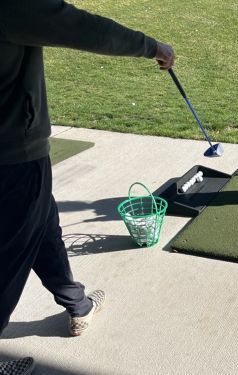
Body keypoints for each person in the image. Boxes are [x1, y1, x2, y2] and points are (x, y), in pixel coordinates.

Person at [0, 0, 175, 352]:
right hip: (12, 156)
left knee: (43, 225)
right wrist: (153, 47)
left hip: (14, 156)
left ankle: (76, 303)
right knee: (7, 264)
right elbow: (80, 27)